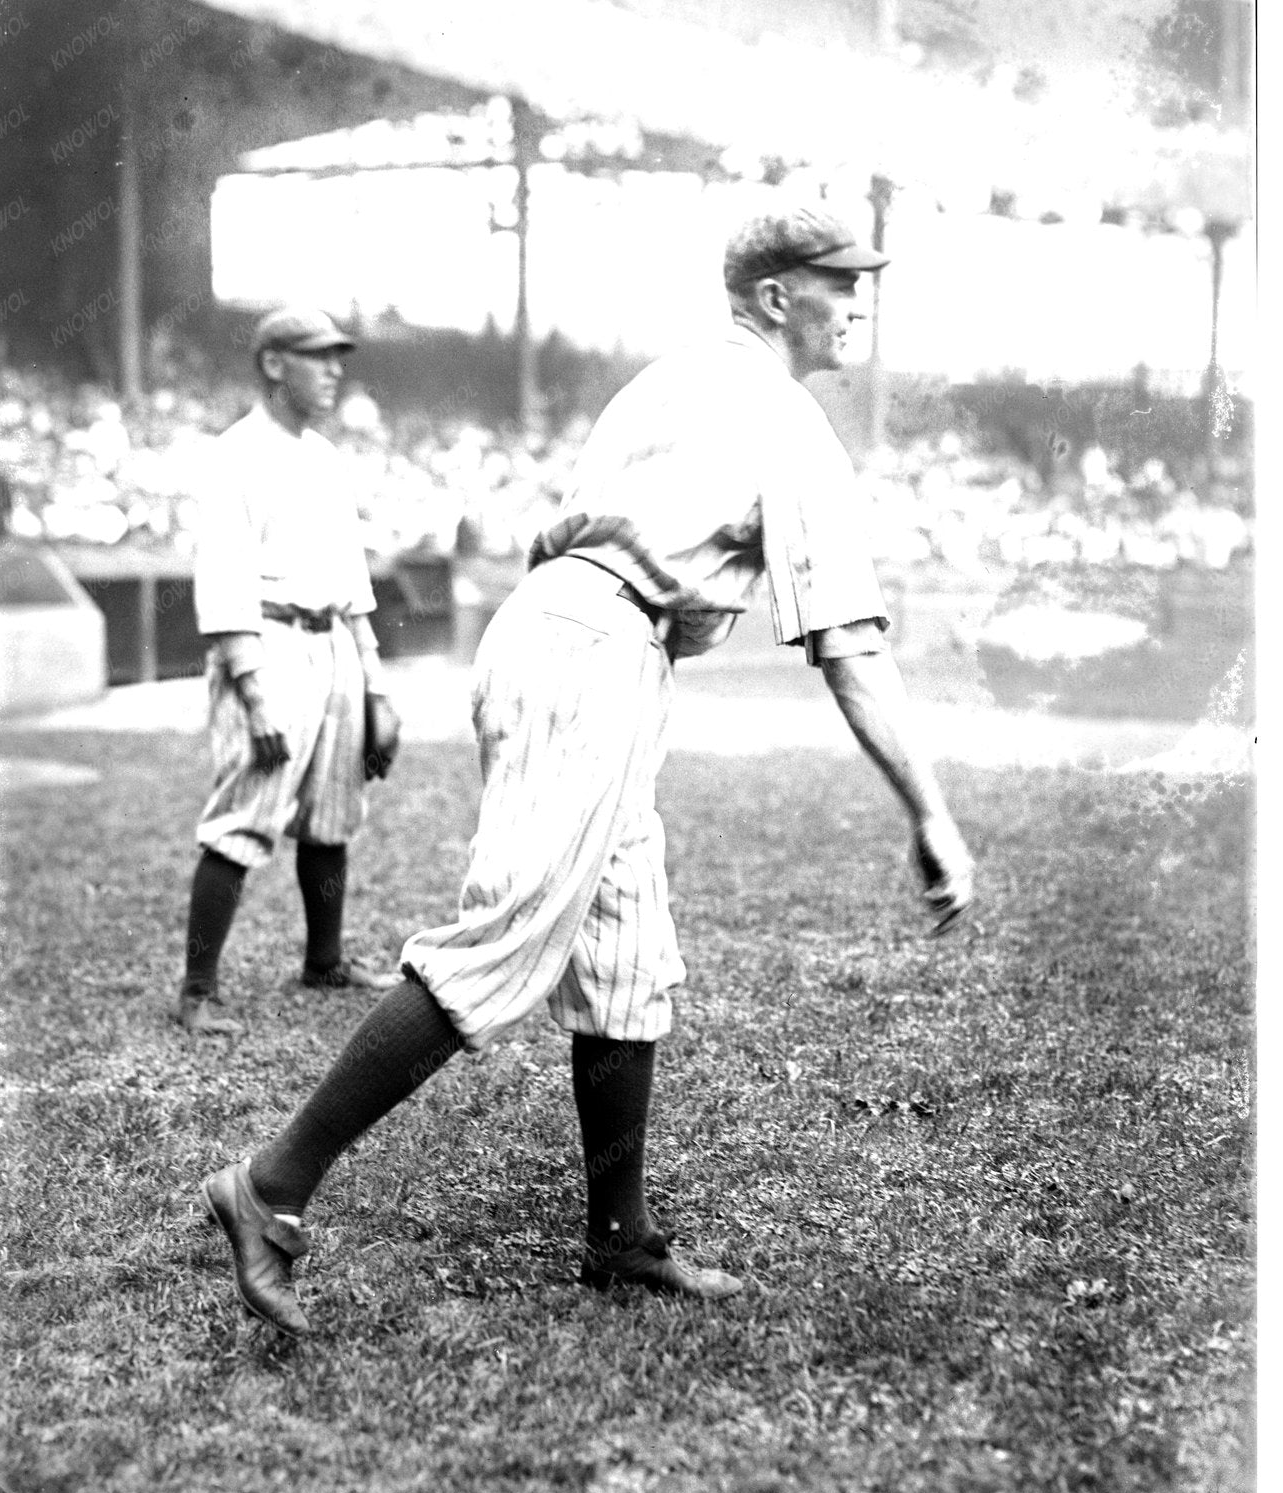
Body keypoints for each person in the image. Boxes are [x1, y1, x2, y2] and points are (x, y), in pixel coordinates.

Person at [200, 203, 974, 1334]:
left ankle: (618, 1238)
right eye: (836, 281)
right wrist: (932, 815)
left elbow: (552, 541)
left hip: (558, 626)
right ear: (774, 297)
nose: (855, 300)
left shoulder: (659, 382)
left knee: (623, 952)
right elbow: (848, 645)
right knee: (503, 941)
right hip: (600, 649)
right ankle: (270, 1186)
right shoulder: (784, 413)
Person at [176, 305, 402, 1036]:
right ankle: (198, 991)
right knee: (245, 815)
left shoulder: (324, 457)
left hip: (333, 640)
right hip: (268, 640)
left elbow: (355, 581)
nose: (335, 368)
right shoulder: (233, 454)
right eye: (318, 355)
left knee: (333, 813)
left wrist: (377, 685)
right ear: (275, 363)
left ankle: (324, 960)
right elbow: (223, 578)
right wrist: (253, 687)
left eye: (339, 355)